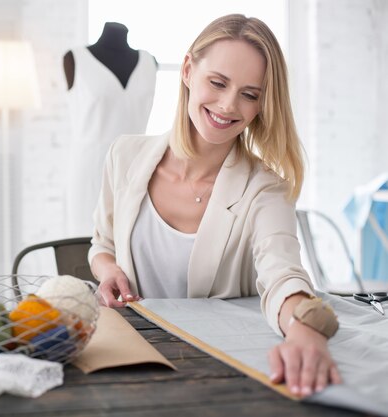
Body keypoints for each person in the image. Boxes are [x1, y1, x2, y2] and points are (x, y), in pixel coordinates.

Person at [88, 14, 341, 398]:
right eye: (218, 83)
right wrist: (108, 272)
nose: (228, 105)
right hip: (129, 361)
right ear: (188, 70)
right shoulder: (125, 155)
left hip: (216, 373)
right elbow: (102, 245)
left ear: (261, 106)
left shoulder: (266, 189)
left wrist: (306, 328)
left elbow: (282, 274)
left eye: (250, 94)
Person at [63, 22, 157, 237]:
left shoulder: (149, 62)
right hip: (89, 173)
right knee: (83, 247)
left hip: (135, 169)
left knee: (132, 244)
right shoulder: (75, 58)